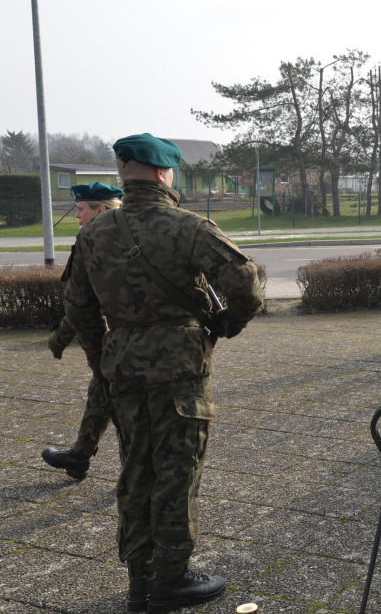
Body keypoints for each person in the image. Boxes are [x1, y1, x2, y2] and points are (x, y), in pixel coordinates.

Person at [63, 133, 263, 613]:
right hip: (180, 369)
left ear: (122, 172)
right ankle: (172, 579)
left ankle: (140, 581)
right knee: (177, 472)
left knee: (136, 470)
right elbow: (247, 287)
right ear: (162, 173)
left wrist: (103, 361)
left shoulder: (93, 233)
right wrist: (229, 323)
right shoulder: (190, 226)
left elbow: (78, 309)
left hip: (123, 370)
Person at [42, 181, 126, 480]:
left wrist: (63, 339)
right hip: (157, 340)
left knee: (116, 399)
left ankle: (135, 473)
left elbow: (80, 304)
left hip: (122, 342)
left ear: (100, 210)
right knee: (101, 391)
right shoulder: (140, 231)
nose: (77, 216)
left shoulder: (92, 239)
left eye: (80, 209)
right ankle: (79, 455)